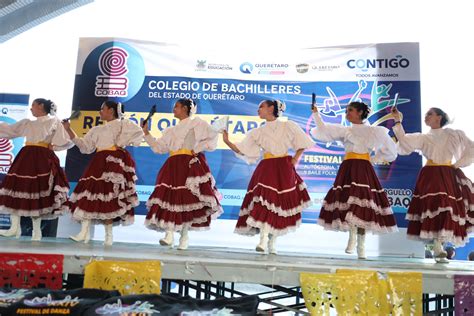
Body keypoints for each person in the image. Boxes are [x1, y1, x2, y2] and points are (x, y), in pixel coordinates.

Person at [223, 99, 313, 254]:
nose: (258, 109)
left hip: (284, 167)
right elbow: (243, 149)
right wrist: (227, 141)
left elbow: (303, 143)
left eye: (261, 107)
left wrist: (295, 159)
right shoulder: (257, 132)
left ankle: (272, 242)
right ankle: (263, 240)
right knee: (265, 201)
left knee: (278, 204)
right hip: (267, 167)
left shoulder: (288, 125)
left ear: (271, 108)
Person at [311, 101, 398, 259]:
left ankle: (361, 246)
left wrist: (374, 158)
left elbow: (391, 151)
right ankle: (352, 236)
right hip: (348, 168)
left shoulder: (375, 131)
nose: (347, 113)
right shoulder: (345, 130)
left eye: (350, 110)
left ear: (359, 112)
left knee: (363, 204)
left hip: (364, 168)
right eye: (346, 110)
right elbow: (323, 131)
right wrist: (316, 114)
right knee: (348, 201)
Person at [392, 107, 474, 263]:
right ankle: (437, 247)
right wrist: (397, 120)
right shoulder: (423, 137)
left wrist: (457, 164)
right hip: (430, 174)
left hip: (448, 173)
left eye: (430, 114)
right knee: (435, 207)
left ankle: (439, 245)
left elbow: (471, 148)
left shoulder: (453, 134)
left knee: (448, 208)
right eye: (426, 114)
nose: (426, 116)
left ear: (439, 117)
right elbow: (404, 140)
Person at [143, 98, 223, 250]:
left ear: (186, 109)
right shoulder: (171, 130)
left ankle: (184, 236)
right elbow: (159, 147)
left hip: (188, 165)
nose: (174, 109)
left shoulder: (197, 123)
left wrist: (198, 148)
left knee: (186, 200)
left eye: (177, 106)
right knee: (171, 199)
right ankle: (169, 234)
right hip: (172, 165)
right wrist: (146, 133)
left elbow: (212, 137)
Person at [62, 101, 143, 246]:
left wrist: (121, 142)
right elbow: (85, 147)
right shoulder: (97, 130)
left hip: (114, 164)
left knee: (110, 197)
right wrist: (69, 130)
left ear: (111, 111)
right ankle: (83, 233)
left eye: (102, 109)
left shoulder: (123, 124)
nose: (100, 111)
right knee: (88, 194)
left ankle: (108, 236)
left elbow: (138, 134)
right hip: (98, 163)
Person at [0, 98, 72, 241]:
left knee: (37, 192)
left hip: (42, 158)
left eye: (33, 105)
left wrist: (54, 147)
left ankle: (36, 231)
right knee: (16, 188)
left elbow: (65, 141)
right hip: (26, 157)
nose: (31, 108)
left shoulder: (53, 122)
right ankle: (14, 228)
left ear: (40, 106)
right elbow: (10, 130)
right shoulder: (28, 123)